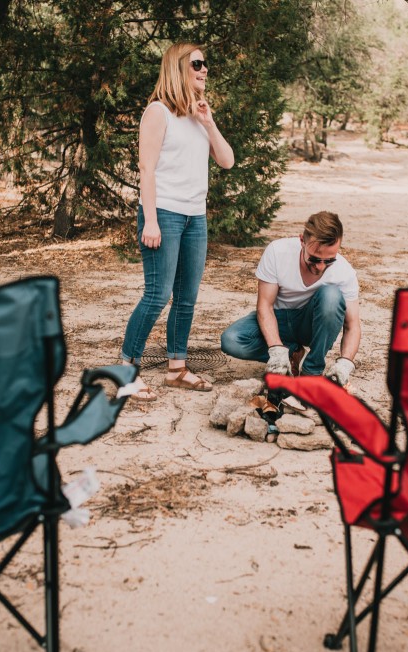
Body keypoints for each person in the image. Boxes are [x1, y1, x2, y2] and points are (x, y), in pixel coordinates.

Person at [120, 42, 235, 401]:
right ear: (177, 67)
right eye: (197, 63)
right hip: (164, 214)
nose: (204, 70)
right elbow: (146, 168)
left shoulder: (198, 115)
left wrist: (209, 122)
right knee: (157, 295)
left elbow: (227, 161)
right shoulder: (158, 112)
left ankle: (176, 368)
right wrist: (150, 221)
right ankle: (127, 370)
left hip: (194, 216)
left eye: (206, 64)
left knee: (186, 298)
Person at [220, 211, 361, 387]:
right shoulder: (278, 251)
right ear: (302, 240)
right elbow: (265, 306)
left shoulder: (344, 272)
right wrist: (276, 349)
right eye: (315, 258)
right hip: (277, 318)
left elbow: (352, 325)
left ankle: (312, 372)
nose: (320, 266)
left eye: (329, 260)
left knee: (332, 296)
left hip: (310, 324)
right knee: (231, 340)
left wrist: (345, 362)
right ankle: (291, 352)